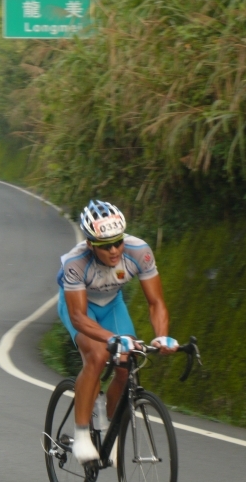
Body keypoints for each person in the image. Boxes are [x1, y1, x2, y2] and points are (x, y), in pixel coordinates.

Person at [57, 199, 178, 464]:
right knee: (98, 356)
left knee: (127, 363)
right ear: (90, 244)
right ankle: (80, 436)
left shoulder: (139, 252)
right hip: (80, 308)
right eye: (105, 245)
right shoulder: (76, 262)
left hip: (112, 305)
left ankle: (110, 427)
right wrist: (110, 338)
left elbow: (156, 302)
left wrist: (161, 335)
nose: (114, 250)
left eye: (118, 242)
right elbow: (78, 317)